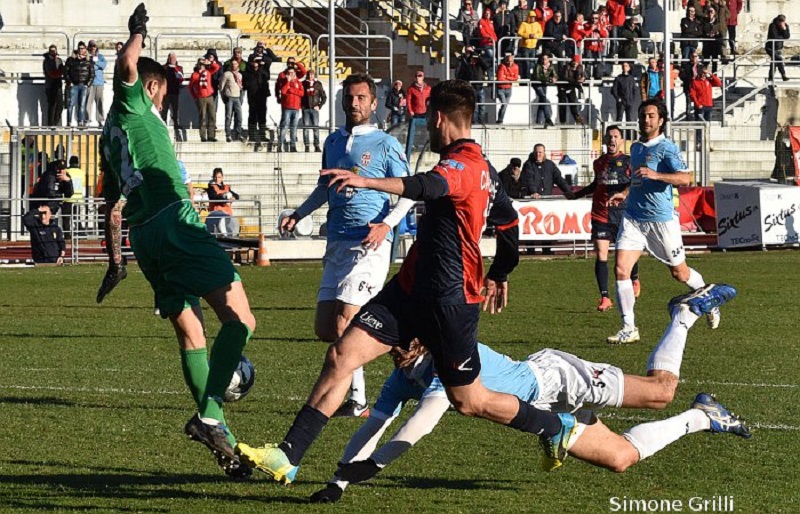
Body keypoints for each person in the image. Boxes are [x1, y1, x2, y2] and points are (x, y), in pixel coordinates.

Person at [237, 79, 574, 484]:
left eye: (428, 119)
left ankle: (554, 425)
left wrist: (367, 181)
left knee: (469, 400)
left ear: (439, 118)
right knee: (341, 355)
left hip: (450, 301)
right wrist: (502, 270)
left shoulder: (465, 165)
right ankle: (288, 455)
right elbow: (509, 222)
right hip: (410, 289)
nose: (427, 126)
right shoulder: (486, 170)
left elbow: (426, 186)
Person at [309, 285, 746, 503]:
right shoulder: (402, 376)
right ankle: (704, 416)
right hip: (546, 413)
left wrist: (374, 466)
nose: (384, 346)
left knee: (660, 392)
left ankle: (684, 313)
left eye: (390, 340)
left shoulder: (445, 359)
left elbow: (419, 426)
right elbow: (374, 425)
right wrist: (338, 482)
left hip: (556, 379)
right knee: (620, 458)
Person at [96, 3, 256, 479]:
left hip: (144, 238)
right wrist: (138, 31)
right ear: (151, 88)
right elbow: (128, 63)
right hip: (175, 222)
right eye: (163, 95)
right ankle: (210, 415)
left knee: (192, 334)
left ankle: (224, 440)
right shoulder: (133, 103)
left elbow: (112, 208)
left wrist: (115, 263)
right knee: (241, 320)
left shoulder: (108, 139)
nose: (164, 105)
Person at [278, 73, 415, 419]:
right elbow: (324, 188)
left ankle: (358, 402)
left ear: (373, 103)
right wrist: (299, 213)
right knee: (325, 328)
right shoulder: (333, 142)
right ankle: (407, 343)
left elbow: (409, 190)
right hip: (337, 241)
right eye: (349, 98)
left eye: (360, 98)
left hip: (368, 243)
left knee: (344, 323)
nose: (354, 104)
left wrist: (387, 224)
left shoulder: (385, 143)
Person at [606, 99, 719, 345]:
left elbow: (686, 178)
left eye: (650, 116)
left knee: (680, 273)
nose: (645, 120)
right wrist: (625, 193)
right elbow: (638, 180)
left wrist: (657, 175)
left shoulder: (667, 148)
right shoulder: (636, 147)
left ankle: (710, 299)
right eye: (642, 115)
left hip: (661, 221)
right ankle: (629, 327)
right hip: (634, 218)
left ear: (661, 120)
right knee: (621, 269)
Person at [572, 126, 640, 311]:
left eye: (616, 136)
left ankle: (634, 278)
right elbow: (596, 184)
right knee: (601, 254)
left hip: (622, 214)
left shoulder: (628, 162)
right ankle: (605, 297)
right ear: (604, 140)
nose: (612, 139)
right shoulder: (599, 162)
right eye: (609, 136)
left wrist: (624, 193)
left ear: (621, 141)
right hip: (600, 214)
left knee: (624, 253)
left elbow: (636, 183)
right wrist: (577, 194)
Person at [189, 57, 220, 142]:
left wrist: (210, 62)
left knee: (212, 116)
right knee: (202, 117)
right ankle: (203, 136)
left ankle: (211, 136)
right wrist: (195, 97)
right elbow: (190, 87)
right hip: (201, 98)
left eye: (203, 64)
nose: (201, 66)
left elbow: (217, 67)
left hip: (209, 96)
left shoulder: (208, 72)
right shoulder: (195, 75)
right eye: (200, 64)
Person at [64, 41, 95, 127]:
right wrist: (69, 82)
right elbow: (66, 72)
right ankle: (69, 122)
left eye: (82, 48)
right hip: (73, 84)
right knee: (71, 104)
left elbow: (92, 73)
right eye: (79, 48)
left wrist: (87, 84)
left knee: (82, 105)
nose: (81, 50)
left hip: (83, 85)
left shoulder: (89, 60)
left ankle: (80, 122)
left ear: (85, 49)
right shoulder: (71, 60)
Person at [243, 58, 270, 150]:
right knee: (252, 117)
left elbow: (267, 75)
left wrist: (262, 66)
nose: (256, 64)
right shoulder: (248, 73)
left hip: (262, 97)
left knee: (262, 117)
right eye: (254, 62)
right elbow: (245, 85)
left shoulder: (263, 72)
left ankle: (262, 135)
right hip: (252, 97)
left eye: (258, 62)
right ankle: (252, 135)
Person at [277, 66, 304, 152]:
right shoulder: (284, 81)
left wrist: (291, 90)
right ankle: (280, 144)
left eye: (292, 73)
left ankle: (293, 146)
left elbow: (301, 93)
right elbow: (283, 91)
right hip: (287, 108)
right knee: (284, 126)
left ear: (295, 73)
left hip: (296, 108)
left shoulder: (298, 82)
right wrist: (288, 82)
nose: (290, 74)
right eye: (289, 73)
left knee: (294, 127)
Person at [219, 56, 244, 142]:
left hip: (237, 97)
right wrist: (223, 97)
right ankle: (228, 135)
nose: (234, 65)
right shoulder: (226, 74)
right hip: (229, 97)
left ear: (238, 65)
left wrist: (241, 97)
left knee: (239, 117)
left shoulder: (240, 75)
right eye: (232, 64)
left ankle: (238, 133)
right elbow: (221, 87)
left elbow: (240, 87)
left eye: (235, 64)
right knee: (228, 116)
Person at [301, 69, 327, 152]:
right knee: (306, 128)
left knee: (315, 128)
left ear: (314, 75)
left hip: (314, 109)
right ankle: (307, 145)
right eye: (309, 74)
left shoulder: (318, 84)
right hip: (306, 108)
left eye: (312, 74)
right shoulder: (303, 83)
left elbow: (324, 97)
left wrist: (319, 106)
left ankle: (316, 145)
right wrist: (301, 105)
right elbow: (300, 95)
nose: (310, 76)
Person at [556, 55, 585, 125]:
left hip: (571, 86)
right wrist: (577, 84)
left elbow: (583, 75)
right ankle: (563, 122)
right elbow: (566, 78)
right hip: (563, 87)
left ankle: (577, 119)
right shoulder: (567, 67)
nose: (575, 63)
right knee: (563, 105)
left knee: (573, 104)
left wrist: (583, 79)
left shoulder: (580, 67)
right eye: (574, 62)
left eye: (576, 62)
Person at [63, 155, 87, 238]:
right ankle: (81, 233)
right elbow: (83, 183)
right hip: (78, 198)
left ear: (69, 162)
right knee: (76, 217)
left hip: (68, 198)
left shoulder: (66, 171)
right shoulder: (82, 172)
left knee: (66, 218)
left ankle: (67, 235)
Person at [531, 53, 557, 127]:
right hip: (537, 84)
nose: (544, 60)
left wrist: (554, 78)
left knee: (542, 101)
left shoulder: (551, 66)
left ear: (548, 59)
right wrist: (549, 79)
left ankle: (538, 121)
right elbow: (537, 76)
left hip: (544, 84)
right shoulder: (538, 66)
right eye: (543, 59)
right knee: (543, 98)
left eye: (545, 59)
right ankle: (548, 119)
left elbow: (555, 74)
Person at [516, 10, 542, 79]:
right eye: (531, 17)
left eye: (534, 17)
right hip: (525, 46)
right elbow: (519, 33)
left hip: (533, 46)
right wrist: (528, 35)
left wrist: (535, 36)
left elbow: (540, 33)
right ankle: (526, 76)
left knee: (532, 62)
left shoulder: (537, 24)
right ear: (528, 17)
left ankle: (532, 75)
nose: (532, 18)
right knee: (526, 62)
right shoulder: (524, 24)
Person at [43, 44, 65, 126]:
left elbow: (62, 70)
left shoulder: (59, 60)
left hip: (58, 85)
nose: (53, 52)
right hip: (50, 85)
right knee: (52, 105)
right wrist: (60, 72)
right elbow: (51, 73)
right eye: (51, 50)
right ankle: (51, 124)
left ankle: (55, 123)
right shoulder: (47, 60)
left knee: (60, 105)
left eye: (54, 50)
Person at [87, 40, 107, 126]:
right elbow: (89, 67)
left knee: (100, 102)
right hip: (90, 83)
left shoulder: (100, 56)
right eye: (91, 46)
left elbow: (104, 65)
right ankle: (87, 120)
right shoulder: (87, 56)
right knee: (88, 102)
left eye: (94, 46)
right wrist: (96, 66)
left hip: (99, 82)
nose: (93, 48)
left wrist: (95, 62)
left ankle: (100, 120)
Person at [161, 53, 184, 130]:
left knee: (175, 109)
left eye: (174, 58)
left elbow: (181, 78)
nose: (173, 59)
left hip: (175, 91)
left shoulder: (179, 68)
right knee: (165, 109)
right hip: (166, 92)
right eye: (171, 58)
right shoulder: (164, 68)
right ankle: (163, 123)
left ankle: (176, 124)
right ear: (168, 58)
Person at [495, 53, 519, 123]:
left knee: (505, 106)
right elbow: (500, 79)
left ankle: (499, 120)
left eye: (511, 61)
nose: (509, 63)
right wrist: (510, 78)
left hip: (509, 88)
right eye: (508, 61)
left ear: (513, 61)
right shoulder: (501, 66)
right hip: (501, 88)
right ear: (505, 61)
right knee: (504, 104)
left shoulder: (516, 66)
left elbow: (516, 78)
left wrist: (506, 77)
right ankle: (500, 120)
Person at [766, 15, 790, 82]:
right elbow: (774, 36)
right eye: (780, 21)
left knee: (773, 63)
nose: (781, 23)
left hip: (778, 48)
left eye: (783, 21)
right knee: (779, 59)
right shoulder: (772, 25)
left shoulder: (786, 26)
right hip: (770, 48)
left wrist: (784, 29)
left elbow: (787, 36)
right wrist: (782, 36)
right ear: (777, 21)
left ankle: (770, 79)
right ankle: (783, 75)